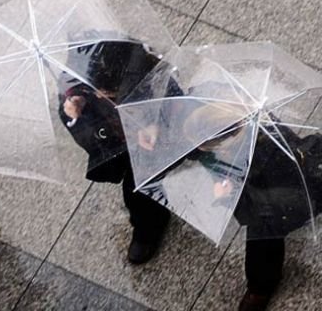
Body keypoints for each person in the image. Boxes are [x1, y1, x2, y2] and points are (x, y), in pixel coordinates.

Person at [181, 102, 322, 311]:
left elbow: (253, 209)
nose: (202, 151)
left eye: (205, 146)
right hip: (268, 179)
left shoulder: (266, 155)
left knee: (263, 233)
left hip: (291, 193)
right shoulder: (237, 120)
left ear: (229, 139)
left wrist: (228, 196)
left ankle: (261, 287)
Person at [58, 32, 180, 264]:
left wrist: (154, 126)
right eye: (95, 92)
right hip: (115, 144)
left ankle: (149, 227)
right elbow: (74, 115)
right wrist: (74, 112)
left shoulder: (158, 83)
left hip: (147, 149)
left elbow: (179, 115)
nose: (100, 96)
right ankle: (147, 221)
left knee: (139, 190)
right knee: (135, 187)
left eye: (107, 93)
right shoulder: (80, 79)